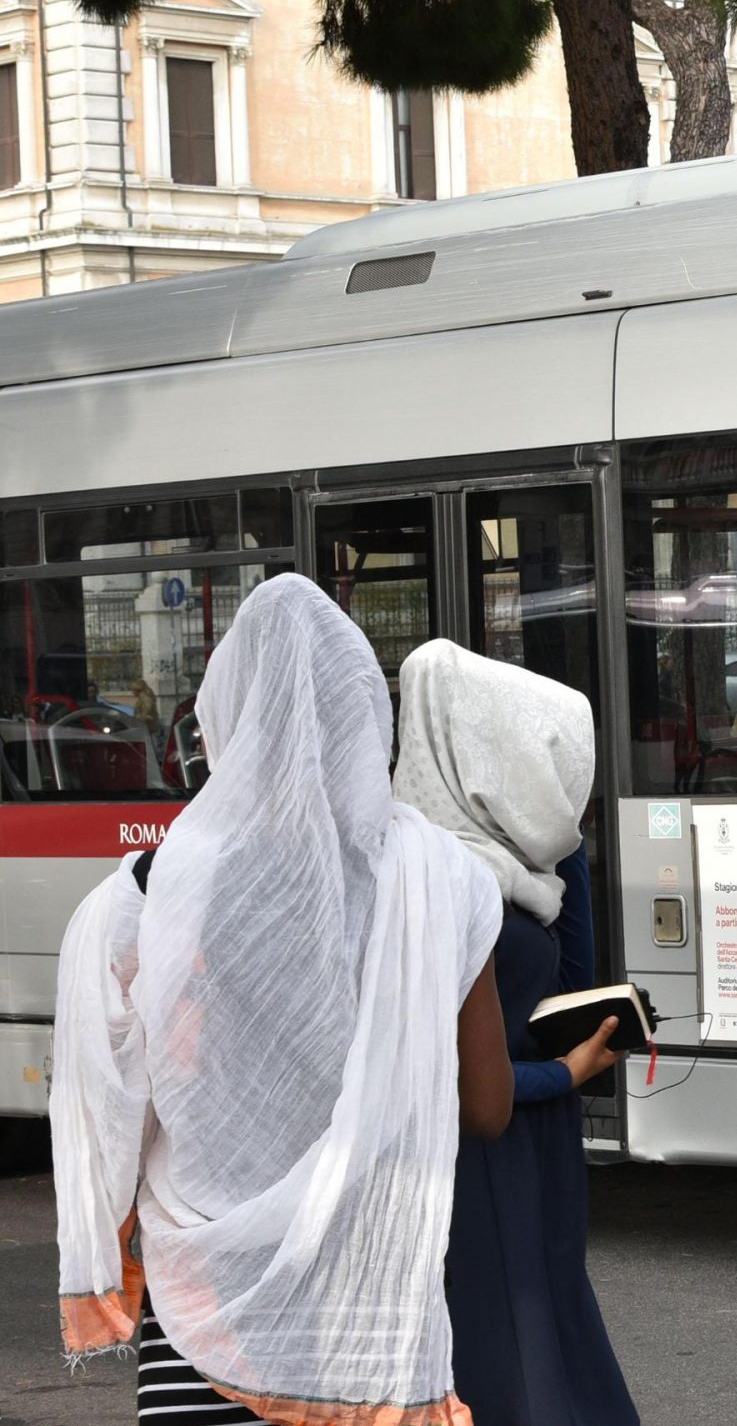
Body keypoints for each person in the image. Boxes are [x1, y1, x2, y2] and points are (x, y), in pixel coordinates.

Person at [49, 574, 512, 1425]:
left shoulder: (146, 893)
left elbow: (110, 1107)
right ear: (363, 713)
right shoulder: (443, 881)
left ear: (224, 716)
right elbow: (485, 1107)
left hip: (203, 1311)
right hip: (368, 1318)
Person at [393, 640, 641, 1426]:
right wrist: (562, 1077)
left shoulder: (517, 868)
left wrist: (564, 856)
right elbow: (459, 1080)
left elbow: (573, 988)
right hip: (476, 1152)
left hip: (537, 1145)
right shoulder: (428, 881)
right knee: (508, 1355)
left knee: (550, 1318)